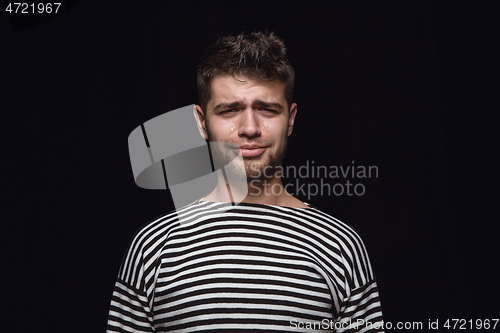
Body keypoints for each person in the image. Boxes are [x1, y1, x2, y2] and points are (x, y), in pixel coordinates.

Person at [107, 32, 384, 332]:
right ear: (202, 122)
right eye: (229, 110)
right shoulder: (152, 249)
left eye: (266, 109)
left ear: (290, 119)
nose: (249, 128)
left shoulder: (340, 247)